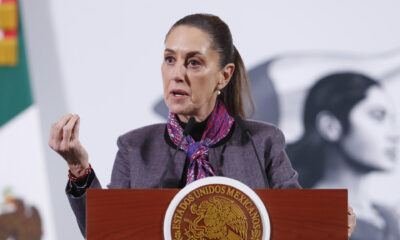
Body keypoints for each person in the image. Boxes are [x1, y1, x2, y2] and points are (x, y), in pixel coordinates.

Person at [48, 14, 356, 238]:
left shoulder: (264, 142)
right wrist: (79, 168)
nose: (177, 74)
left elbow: (298, 222)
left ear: (224, 75)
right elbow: (106, 231)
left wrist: (332, 220)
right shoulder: (134, 147)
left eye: (193, 62)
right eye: (170, 60)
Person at [287, 72, 398, 240]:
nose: (394, 134)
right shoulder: (307, 219)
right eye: (378, 116)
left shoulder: (387, 215)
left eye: (392, 120)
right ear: (330, 126)